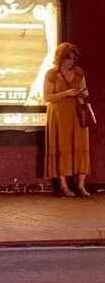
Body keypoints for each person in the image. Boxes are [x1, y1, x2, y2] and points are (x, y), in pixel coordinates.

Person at [44, 42, 91, 197]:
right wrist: (66, 93)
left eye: (73, 58)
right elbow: (47, 96)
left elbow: (86, 91)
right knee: (61, 145)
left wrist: (82, 93)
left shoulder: (79, 72)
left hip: (77, 113)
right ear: (60, 58)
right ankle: (64, 185)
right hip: (59, 115)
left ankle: (81, 185)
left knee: (80, 144)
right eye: (68, 58)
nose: (71, 61)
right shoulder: (52, 74)